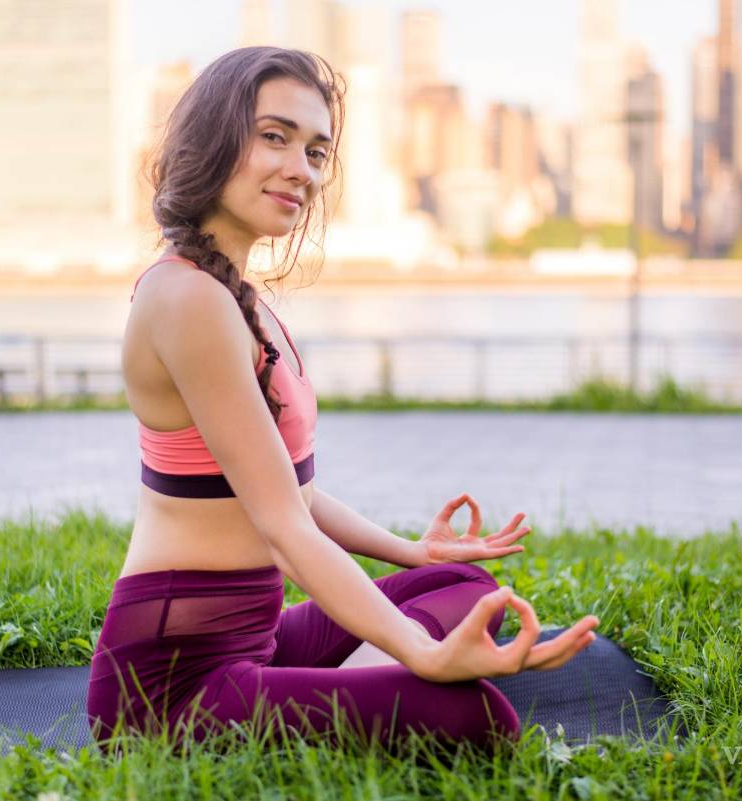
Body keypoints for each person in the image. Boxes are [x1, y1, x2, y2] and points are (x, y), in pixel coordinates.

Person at [85, 46, 600, 756]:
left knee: (457, 582)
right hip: (171, 687)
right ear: (212, 138)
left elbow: (296, 493)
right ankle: (373, 690)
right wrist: (421, 654)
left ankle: (343, 693)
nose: (303, 169)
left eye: (317, 150)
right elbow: (285, 529)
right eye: (275, 137)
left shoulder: (236, 297)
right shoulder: (186, 298)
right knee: (478, 720)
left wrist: (409, 551)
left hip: (254, 640)